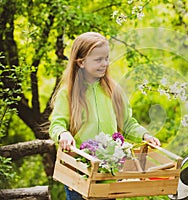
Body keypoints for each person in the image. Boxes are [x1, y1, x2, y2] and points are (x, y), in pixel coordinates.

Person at [49, 32, 160, 200]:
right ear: (81, 62)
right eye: (98, 60)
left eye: (106, 58)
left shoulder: (113, 91)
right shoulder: (68, 93)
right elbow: (56, 124)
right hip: (79, 169)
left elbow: (127, 123)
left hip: (108, 169)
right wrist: (63, 134)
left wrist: (144, 134)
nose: (105, 64)